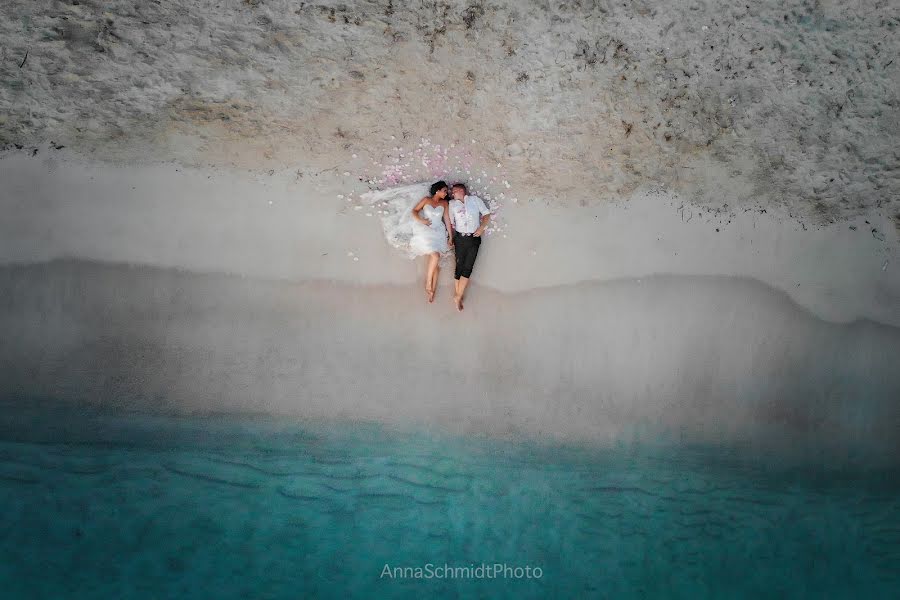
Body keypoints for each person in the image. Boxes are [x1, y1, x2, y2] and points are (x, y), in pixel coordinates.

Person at [447, 182, 491, 312]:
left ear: (461, 191)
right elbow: (451, 222)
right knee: (459, 267)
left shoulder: (475, 200)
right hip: (460, 238)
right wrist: (451, 238)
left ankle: (458, 296)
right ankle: (458, 297)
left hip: (474, 238)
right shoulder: (452, 204)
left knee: (468, 267)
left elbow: (486, 214)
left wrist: (481, 228)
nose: (452, 194)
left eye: (453, 191)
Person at [410, 180, 453, 303]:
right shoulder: (426, 200)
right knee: (435, 256)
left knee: (436, 263)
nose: (446, 193)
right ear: (438, 190)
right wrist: (421, 220)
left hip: (438, 232)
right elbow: (414, 211)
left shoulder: (445, 203)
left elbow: (447, 220)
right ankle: (428, 283)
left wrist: (450, 237)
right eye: (444, 191)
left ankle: (432, 291)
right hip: (426, 230)